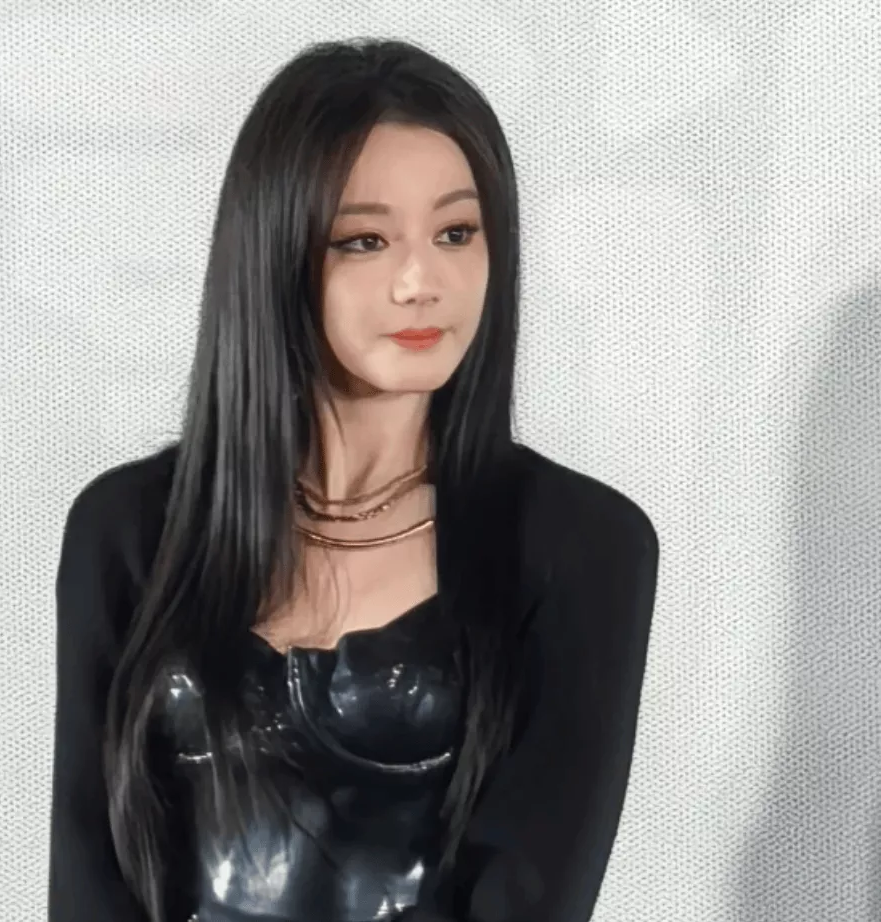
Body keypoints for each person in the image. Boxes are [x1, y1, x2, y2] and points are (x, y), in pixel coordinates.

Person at [47, 37, 660, 922]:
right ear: (278, 254)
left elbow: (530, 895)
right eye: (365, 240)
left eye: (456, 233)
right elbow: (87, 875)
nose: (422, 281)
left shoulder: (578, 545)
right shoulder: (133, 529)